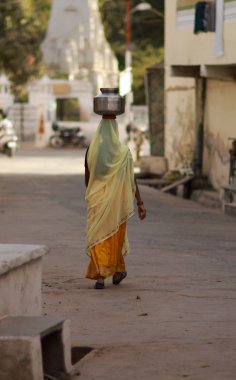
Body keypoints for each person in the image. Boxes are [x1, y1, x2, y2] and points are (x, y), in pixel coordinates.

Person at [84, 114, 146, 289]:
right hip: (117, 202)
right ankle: (113, 271)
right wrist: (140, 203)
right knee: (114, 236)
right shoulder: (124, 153)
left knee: (99, 236)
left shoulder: (91, 150)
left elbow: (88, 178)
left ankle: (105, 274)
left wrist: (91, 197)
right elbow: (132, 181)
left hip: (97, 200)